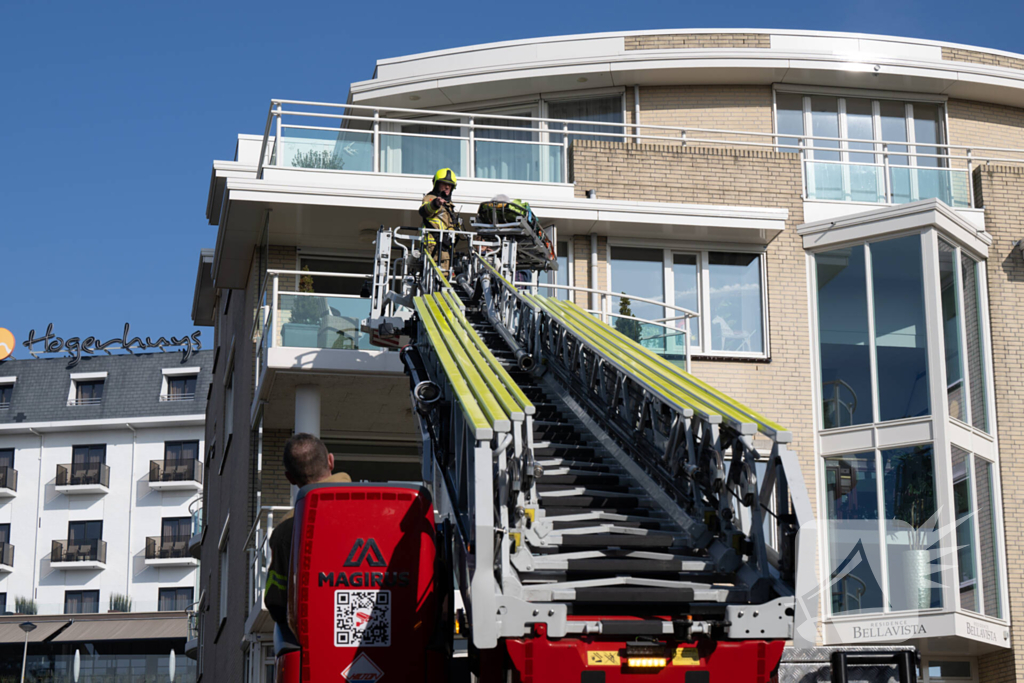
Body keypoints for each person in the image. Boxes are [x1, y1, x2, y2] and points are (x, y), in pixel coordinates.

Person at [264, 433, 351, 629]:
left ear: (290, 478)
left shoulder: (286, 531)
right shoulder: (377, 507)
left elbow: (276, 602)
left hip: (316, 637)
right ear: (331, 461)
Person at [419, 168, 458, 275]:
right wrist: (435, 204)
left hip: (445, 249)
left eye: (449, 185)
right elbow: (424, 211)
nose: (447, 187)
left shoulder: (448, 205)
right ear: (436, 184)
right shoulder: (431, 198)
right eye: (443, 184)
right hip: (433, 248)